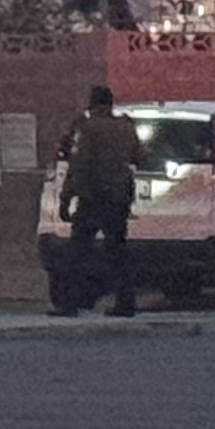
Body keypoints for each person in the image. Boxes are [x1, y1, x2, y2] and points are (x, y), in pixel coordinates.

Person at [53, 84, 140, 317]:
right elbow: (139, 155)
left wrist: (65, 199)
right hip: (119, 196)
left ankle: (70, 304)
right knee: (117, 251)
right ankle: (126, 301)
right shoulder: (125, 127)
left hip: (93, 196)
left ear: (92, 103)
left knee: (77, 252)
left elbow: (79, 166)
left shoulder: (88, 128)